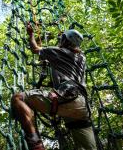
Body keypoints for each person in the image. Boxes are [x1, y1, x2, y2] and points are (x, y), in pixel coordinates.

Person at [11, 22, 97, 150]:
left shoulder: (58, 52)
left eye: (62, 38)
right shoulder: (82, 57)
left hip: (67, 98)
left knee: (18, 99)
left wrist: (31, 34)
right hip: (82, 108)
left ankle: (36, 145)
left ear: (65, 41)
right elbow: (64, 67)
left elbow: (35, 48)